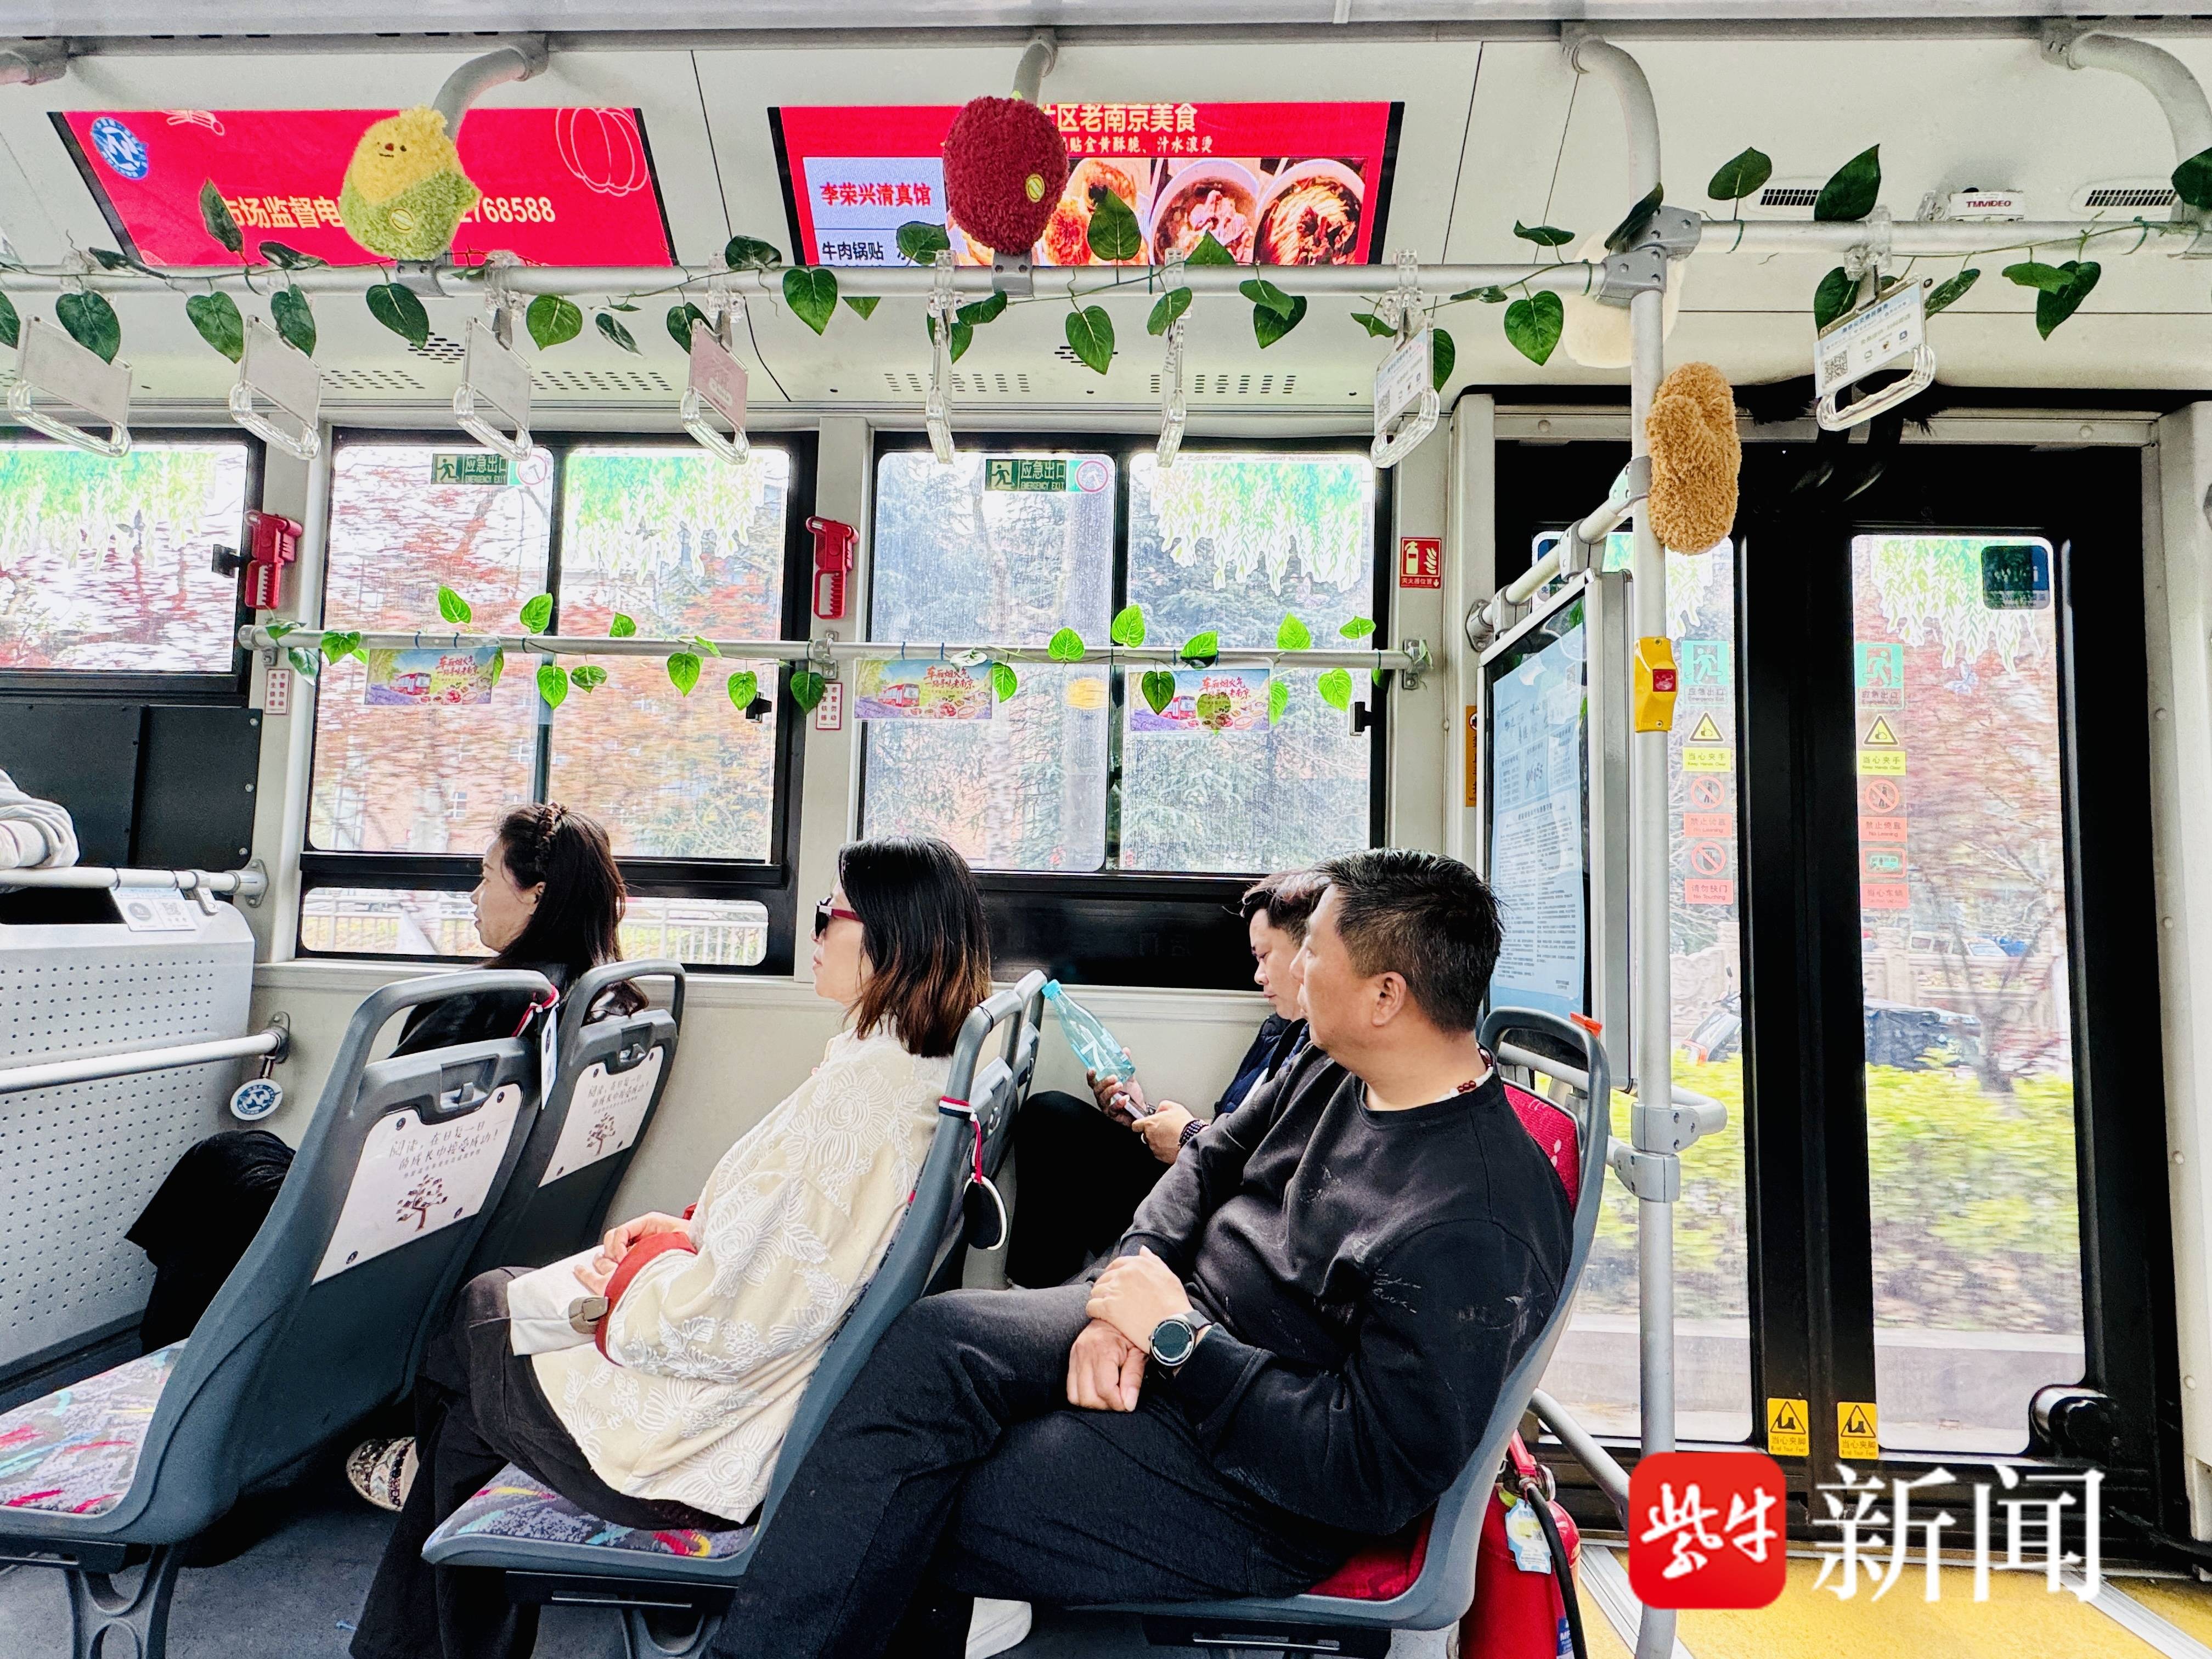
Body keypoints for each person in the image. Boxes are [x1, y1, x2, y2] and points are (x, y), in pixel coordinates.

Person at [704, 848, 1577, 1659]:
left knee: (921, 1494)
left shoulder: (1474, 1220)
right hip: (1174, 1316)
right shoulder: (1337, 1065)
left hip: (1260, 1482)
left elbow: (1365, 1470)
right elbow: (1207, 1162)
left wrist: (1175, 1342)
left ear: (1386, 996)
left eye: (1313, 949)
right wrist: (1132, 1285)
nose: (1293, 969)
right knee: (932, 1347)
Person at [349, 835, 996, 1659]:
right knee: (474, 1395)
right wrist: (686, 1233)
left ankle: (410, 1616)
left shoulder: (860, 1109)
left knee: (477, 1319)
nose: (816, 932)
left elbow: (728, 1322)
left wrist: (632, 1275)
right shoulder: (900, 1070)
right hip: (752, 1392)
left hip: (696, 1447)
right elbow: (797, 1251)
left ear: (892, 937)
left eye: (830, 914)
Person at [129, 803, 642, 1374]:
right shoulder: (609, 1000)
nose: (474, 896)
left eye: (486, 877)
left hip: (390, 1220)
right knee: (243, 1160)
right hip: (471, 1211)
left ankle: (173, 1360)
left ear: (536, 895)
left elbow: (378, 1135)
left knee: (225, 1161)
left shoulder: (486, 1000)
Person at [1005, 869, 1321, 1289]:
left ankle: (1046, 1301)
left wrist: (1188, 1136)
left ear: (1308, 954)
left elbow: (1274, 1166)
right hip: (1200, 1175)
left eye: (1265, 957)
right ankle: (1033, 1289)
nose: (1258, 976)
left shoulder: (1320, 1056)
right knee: (1050, 1117)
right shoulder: (1279, 1030)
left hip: (1219, 1211)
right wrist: (1142, 1114)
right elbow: (1234, 1126)